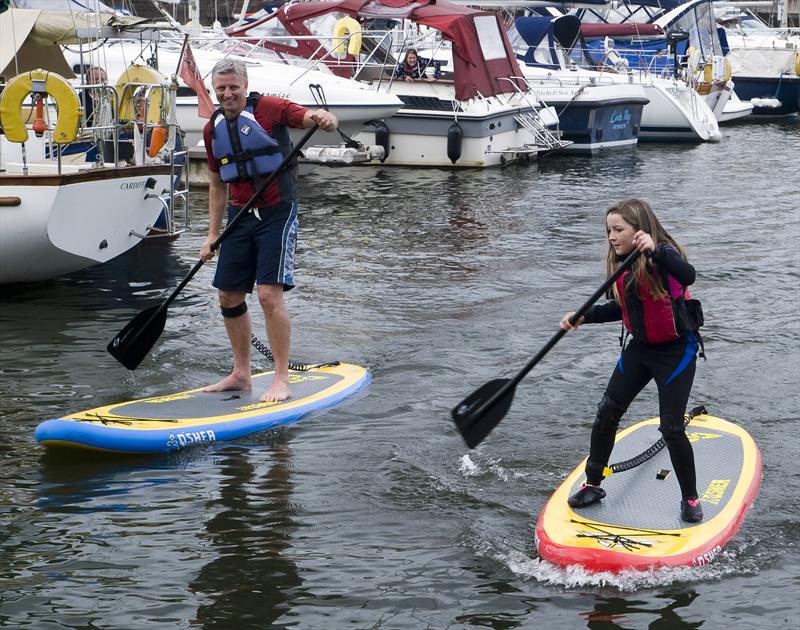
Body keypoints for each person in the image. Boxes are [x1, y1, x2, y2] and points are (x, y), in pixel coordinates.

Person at [200, 59, 338, 402]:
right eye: (221, 88)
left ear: (245, 86)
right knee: (228, 295)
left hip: (278, 210)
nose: (228, 94)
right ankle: (241, 374)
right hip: (239, 213)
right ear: (215, 91)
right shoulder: (212, 128)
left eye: (234, 87)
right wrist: (212, 233)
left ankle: (281, 378)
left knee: (267, 294)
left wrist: (325, 118)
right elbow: (217, 185)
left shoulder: (270, 108)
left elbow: (309, 117)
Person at [560, 198, 704, 523]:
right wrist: (585, 316)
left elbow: (689, 275)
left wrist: (654, 250)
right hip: (640, 350)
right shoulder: (622, 263)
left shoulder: (665, 256)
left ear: (639, 230)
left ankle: (691, 498)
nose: (611, 236)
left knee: (671, 427)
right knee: (607, 411)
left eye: (618, 229)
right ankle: (593, 483)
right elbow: (621, 309)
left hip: (676, 352)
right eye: (608, 230)